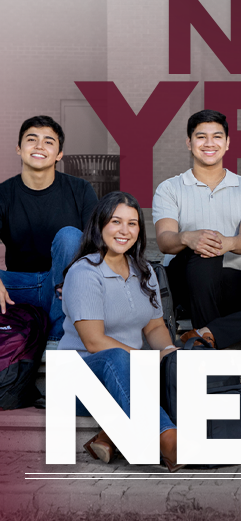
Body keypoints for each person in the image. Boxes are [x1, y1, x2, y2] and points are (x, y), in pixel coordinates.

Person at [58, 192, 182, 471]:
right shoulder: (84, 272)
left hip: (129, 376)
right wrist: (147, 361)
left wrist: (168, 353)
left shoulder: (145, 270)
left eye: (133, 223)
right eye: (116, 221)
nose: (125, 231)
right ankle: (169, 442)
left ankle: (108, 436)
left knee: (170, 365)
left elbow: (154, 325)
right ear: (101, 225)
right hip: (80, 380)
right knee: (118, 358)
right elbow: (94, 341)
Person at [153, 109, 241, 349]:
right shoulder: (169, 188)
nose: (209, 143)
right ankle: (211, 355)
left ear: (228, 143)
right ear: (189, 143)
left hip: (230, 282)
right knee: (204, 253)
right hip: (183, 281)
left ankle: (208, 334)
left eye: (217, 136)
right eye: (201, 137)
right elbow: (165, 241)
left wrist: (225, 243)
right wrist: (188, 238)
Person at [0, 116, 97, 342]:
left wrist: (82, 283)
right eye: (31, 139)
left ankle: (58, 335)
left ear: (59, 154)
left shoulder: (80, 189)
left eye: (48, 142)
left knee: (70, 236)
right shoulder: (3, 194)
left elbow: (97, 242)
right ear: (18, 148)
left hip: (65, 287)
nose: (39, 147)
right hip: (19, 286)